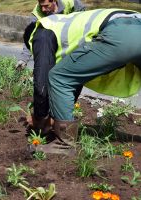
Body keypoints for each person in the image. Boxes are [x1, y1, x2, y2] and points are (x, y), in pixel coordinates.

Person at [23, 8, 141, 155]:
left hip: (122, 31)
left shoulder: (41, 33)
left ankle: (64, 144)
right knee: (66, 74)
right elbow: (76, 79)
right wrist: (57, 115)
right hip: (134, 22)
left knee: (59, 76)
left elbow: (43, 79)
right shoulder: (64, 23)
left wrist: (40, 118)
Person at [16, 0, 85, 70]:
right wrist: (23, 59)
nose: (43, 9)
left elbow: (83, 15)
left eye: (46, 6)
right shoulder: (37, 14)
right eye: (41, 6)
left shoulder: (69, 2)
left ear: (54, 1)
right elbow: (31, 36)